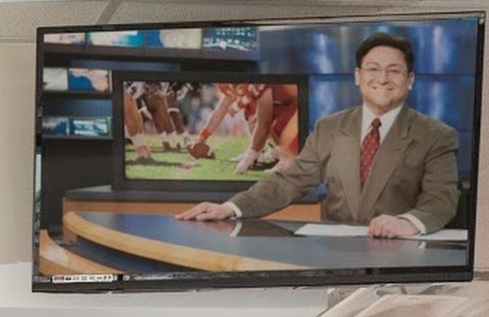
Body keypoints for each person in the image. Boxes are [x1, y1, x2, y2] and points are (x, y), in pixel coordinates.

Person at [180, 32, 459, 239]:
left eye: (394, 71)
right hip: (337, 257)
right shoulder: (329, 128)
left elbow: (441, 198)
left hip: (400, 256)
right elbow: (290, 182)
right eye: (373, 69)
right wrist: (231, 207)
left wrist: (409, 222)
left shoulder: (436, 136)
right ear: (358, 76)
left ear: (409, 80)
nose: (382, 79)